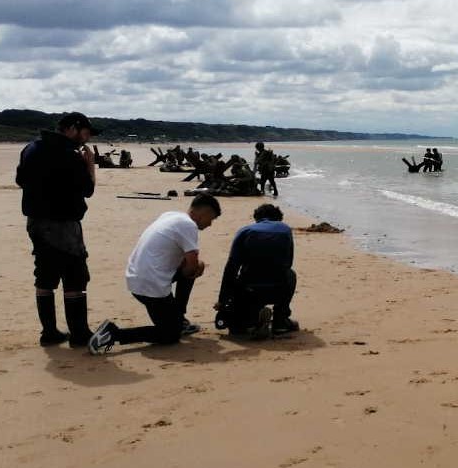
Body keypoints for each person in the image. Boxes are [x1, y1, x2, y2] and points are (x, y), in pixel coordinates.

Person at [87, 195, 222, 354]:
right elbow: (191, 266)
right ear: (203, 212)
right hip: (151, 288)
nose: (210, 224)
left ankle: (179, 319)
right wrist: (195, 268)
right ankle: (114, 334)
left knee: (191, 268)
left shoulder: (170, 215)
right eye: (210, 219)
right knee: (170, 334)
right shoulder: (188, 225)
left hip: (136, 278)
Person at [16, 112, 99, 346]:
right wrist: (90, 165)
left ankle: (49, 332)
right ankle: (79, 333)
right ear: (72, 128)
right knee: (74, 277)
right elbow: (88, 189)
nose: (86, 139)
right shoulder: (69, 155)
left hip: (36, 222)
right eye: (85, 133)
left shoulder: (31, 148)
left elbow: (21, 181)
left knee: (45, 277)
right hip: (63, 224)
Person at [215, 203, 299, 339]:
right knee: (290, 274)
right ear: (278, 218)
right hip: (277, 288)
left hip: (248, 290)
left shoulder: (245, 231)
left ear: (256, 218)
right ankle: (280, 321)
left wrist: (222, 300)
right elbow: (288, 263)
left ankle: (252, 320)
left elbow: (230, 268)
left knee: (238, 328)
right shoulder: (285, 230)